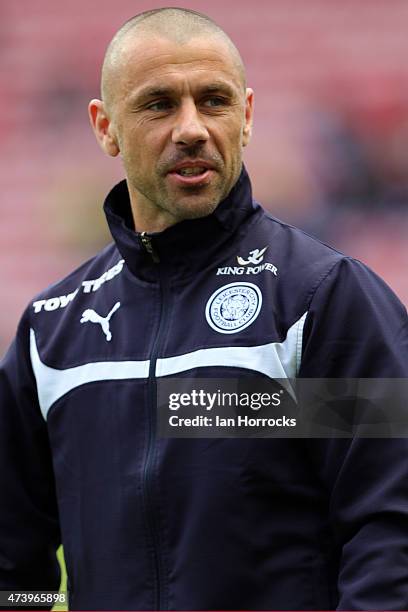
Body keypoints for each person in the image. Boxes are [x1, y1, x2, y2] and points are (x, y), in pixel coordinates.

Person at [0, 7, 407, 611]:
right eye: (159, 104)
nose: (191, 128)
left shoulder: (319, 300)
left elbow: (389, 527)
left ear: (245, 117)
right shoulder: (54, 335)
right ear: (105, 127)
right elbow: (15, 564)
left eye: (212, 101)